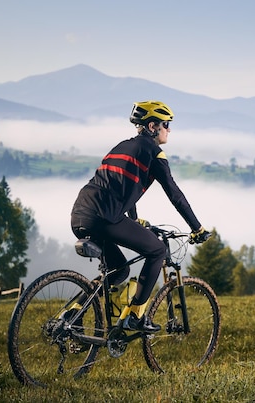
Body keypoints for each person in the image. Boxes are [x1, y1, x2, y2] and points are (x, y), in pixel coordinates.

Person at [70, 100, 210, 332]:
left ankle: (72, 313)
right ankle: (135, 316)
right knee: (157, 251)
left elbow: (122, 186)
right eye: (166, 124)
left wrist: (134, 220)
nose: (170, 129)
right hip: (105, 216)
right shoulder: (154, 152)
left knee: (119, 271)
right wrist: (197, 228)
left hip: (80, 213)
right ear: (153, 126)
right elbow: (174, 193)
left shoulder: (122, 146)